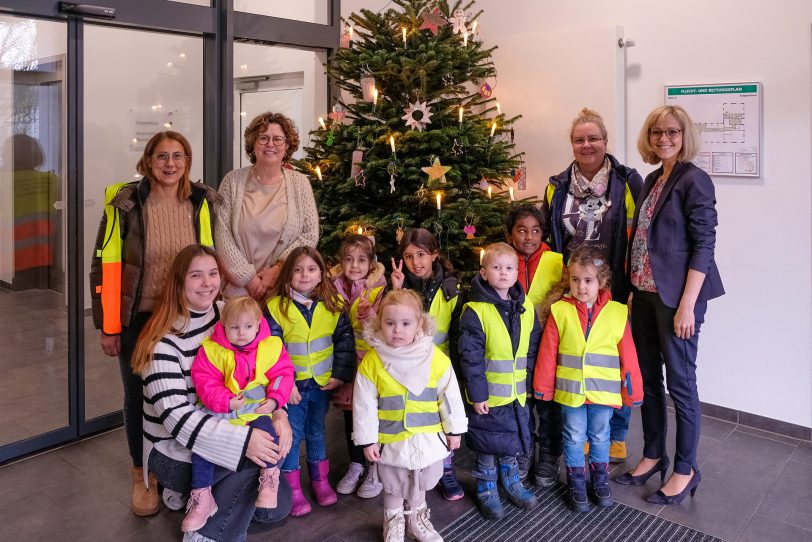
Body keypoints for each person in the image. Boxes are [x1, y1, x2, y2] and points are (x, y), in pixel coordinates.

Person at [89, 131, 220, 516]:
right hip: (140, 317)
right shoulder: (125, 201)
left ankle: (182, 465)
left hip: (187, 314)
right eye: (161, 156)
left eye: (178, 156)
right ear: (147, 161)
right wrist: (109, 325)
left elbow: (208, 255)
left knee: (187, 390)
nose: (170, 163)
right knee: (138, 395)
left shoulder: (201, 201)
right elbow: (106, 265)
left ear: (187, 161)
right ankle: (142, 473)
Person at [130, 245, 293, 542]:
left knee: (276, 503)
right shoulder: (162, 342)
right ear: (179, 283)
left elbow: (266, 366)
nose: (207, 283)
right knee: (255, 462)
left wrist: (279, 411)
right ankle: (206, 534)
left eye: (213, 274)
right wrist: (244, 441)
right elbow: (177, 421)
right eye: (196, 276)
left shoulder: (226, 313)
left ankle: (207, 497)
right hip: (173, 451)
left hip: (230, 420)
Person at [615, 105, 724, 505]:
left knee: (681, 385)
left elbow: (704, 245)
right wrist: (632, 289)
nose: (664, 138)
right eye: (657, 132)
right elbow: (642, 239)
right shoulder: (650, 179)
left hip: (678, 299)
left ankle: (685, 469)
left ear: (684, 135)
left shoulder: (694, 180)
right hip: (643, 295)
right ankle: (653, 454)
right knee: (647, 381)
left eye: (672, 132)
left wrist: (687, 305)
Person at [543, 108, 644, 464]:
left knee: (610, 360)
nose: (587, 145)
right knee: (573, 357)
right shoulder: (556, 186)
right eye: (579, 139)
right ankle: (578, 430)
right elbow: (551, 237)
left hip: (613, 287)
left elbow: (638, 237)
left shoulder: (628, 181)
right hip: (572, 287)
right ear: (572, 144)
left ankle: (615, 434)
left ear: (605, 141)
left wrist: (631, 286)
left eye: (593, 138)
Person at [353, 289, 467, 542]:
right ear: (379, 323)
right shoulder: (373, 361)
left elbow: (449, 395)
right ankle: (393, 521)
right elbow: (364, 405)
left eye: (406, 323)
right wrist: (368, 439)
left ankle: (418, 519)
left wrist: (454, 428)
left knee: (421, 481)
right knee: (393, 482)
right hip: (391, 438)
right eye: (390, 323)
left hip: (427, 438)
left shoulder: (435, 358)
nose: (397, 330)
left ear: (419, 324)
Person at [534, 246, 642, 512]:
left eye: (588, 280)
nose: (581, 287)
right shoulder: (560, 311)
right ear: (568, 279)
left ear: (601, 282)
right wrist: (542, 388)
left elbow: (628, 353)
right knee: (572, 435)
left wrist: (633, 391)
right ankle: (576, 481)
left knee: (601, 435)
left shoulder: (617, 313)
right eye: (575, 280)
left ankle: (600, 480)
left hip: (603, 394)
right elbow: (548, 353)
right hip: (571, 393)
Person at [182, 296, 295, 533]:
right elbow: (205, 382)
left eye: (248, 327)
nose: (241, 333)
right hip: (221, 413)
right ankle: (202, 496)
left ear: (258, 324)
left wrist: (275, 400)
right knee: (201, 450)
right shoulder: (213, 350)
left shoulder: (270, 346)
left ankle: (269, 478)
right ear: (223, 325)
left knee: (272, 436)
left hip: (255, 411)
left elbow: (283, 374)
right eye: (234, 327)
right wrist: (225, 401)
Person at [265, 246, 355, 516]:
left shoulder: (333, 305)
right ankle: (292, 489)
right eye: (298, 269)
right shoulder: (276, 308)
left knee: (316, 432)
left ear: (321, 274)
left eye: (311, 269)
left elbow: (344, 343)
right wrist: (284, 384)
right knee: (290, 437)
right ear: (288, 275)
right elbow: (271, 350)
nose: (304, 275)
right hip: (291, 390)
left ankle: (320, 481)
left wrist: (339, 374)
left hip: (321, 386)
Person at [459, 242, 541, 520]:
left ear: (517, 273)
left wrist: (529, 385)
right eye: (496, 268)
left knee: (511, 442)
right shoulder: (475, 310)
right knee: (486, 445)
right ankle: (486, 487)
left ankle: (511, 482)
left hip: (518, 393)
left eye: (509, 268)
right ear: (484, 273)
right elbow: (471, 358)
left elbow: (532, 346)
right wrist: (477, 394)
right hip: (488, 396)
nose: (503, 273)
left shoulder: (525, 305)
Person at [390, 228, 464, 501]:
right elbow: (390, 325)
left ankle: (445, 469)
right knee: (416, 417)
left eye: (421, 254)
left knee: (443, 419)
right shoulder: (401, 287)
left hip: (441, 368)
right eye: (408, 257)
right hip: (408, 368)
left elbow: (457, 332)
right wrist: (395, 291)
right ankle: (412, 466)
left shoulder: (451, 288)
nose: (415, 262)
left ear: (434, 254)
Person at [216, 111, 319, 300]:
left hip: (285, 291)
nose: (270, 144)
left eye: (278, 139)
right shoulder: (232, 182)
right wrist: (250, 280)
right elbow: (223, 237)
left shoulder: (301, 183)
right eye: (263, 138)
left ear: (287, 146)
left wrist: (278, 270)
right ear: (253, 144)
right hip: (240, 293)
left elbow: (309, 234)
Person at [505, 204, 563, 487]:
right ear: (510, 234)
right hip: (516, 346)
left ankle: (550, 454)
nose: (529, 237)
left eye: (536, 231)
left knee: (547, 401)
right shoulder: (503, 260)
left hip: (549, 344)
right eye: (522, 230)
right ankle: (523, 452)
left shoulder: (556, 260)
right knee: (523, 401)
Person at [330, 234, 387, 498]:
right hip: (345, 360)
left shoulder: (378, 288)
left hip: (371, 364)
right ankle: (355, 463)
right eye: (349, 259)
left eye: (361, 260)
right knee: (350, 413)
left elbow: (383, 329)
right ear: (341, 262)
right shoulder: (331, 287)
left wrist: (369, 316)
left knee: (371, 414)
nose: (355, 266)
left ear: (372, 263)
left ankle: (375, 467)